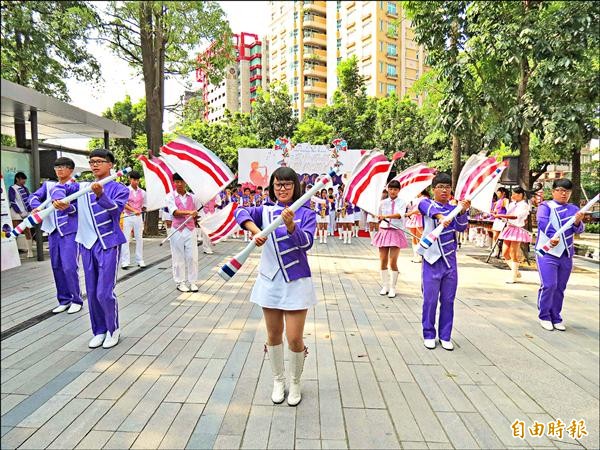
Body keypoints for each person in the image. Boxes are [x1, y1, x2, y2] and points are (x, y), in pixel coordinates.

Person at [234, 166, 317, 407]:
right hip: (270, 280)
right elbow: (240, 212)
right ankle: (278, 380)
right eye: (278, 184)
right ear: (272, 186)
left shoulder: (306, 213)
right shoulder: (265, 211)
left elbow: (307, 243)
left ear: (295, 187)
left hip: (297, 281)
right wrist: (256, 231)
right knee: (272, 335)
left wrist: (292, 227)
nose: (282, 188)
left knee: (294, 338)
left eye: (287, 184)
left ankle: (296, 382)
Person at [75, 149, 129, 349]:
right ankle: (99, 330)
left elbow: (115, 211)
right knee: (91, 290)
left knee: (104, 292)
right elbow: (70, 203)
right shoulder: (82, 188)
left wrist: (101, 195)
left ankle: (113, 329)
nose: (95, 165)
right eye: (92, 162)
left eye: (99, 161)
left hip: (108, 244)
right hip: (87, 244)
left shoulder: (119, 188)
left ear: (110, 165)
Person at [419, 173, 470, 351]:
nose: (444, 190)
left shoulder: (453, 208)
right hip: (431, 260)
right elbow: (425, 207)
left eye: (447, 187)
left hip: (450, 262)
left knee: (448, 300)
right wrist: (441, 217)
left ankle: (446, 335)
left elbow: (462, 227)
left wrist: (462, 212)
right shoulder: (427, 204)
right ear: (434, 189)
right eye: (440, 186)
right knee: (430, 300)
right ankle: (429, 333)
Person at [29, 157, 82, 314]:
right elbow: (33, 197)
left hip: (69, 231)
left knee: (69, 266)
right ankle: (64, 300)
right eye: (57, 166)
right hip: (53, 231)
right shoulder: (49, 185)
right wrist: (36, 207)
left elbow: (78, 209)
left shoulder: (76, 187)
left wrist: (67, 207)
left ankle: (76, 299)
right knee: (56, 266)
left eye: (64, 167)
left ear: (71, 170)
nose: (60, 169)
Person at [535, 179, 584, 332]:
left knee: (560, 287)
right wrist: (552, 236)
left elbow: (579, 230)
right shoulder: (545, 206)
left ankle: (556, 316)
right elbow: (542, 222)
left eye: (567, 192)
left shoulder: (574, 208)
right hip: (547, 252)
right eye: (561, 190)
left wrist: (577, 222)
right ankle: (544, 316)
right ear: (554, 191)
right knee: (549, 285)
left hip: (566, 253)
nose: (564, 194)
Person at [372, 180, 408, 298]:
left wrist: (385, 216)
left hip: (396, 232)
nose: (393, 191)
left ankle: (393, 287)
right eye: (391, 189)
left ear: (399, 190)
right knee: (383, 261)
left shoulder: (402, 202)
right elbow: (378, 217)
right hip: (384, 231)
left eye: (395, 189)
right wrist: (377, 218)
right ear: (387, 189)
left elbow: (399, 214)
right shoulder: (382, 203)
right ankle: (385, 285)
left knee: (393, 262)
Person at [166, 173, 202, 292]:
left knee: (192, 256)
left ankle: (193, 282)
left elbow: (197, 213)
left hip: (190, 229)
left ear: (185, 182)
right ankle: (180, 282)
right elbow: (174, 212)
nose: (179, 184)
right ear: (174, 183)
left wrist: (195, 215)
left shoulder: (193, 197)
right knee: (178, 256)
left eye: (181, 181)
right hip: (177, 229)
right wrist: (189, 212)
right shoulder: (170, 196)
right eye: (176, 182)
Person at [496, 187, 532, 283]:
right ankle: (515, 271)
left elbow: (516, 216)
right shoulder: (511, 204)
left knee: (513, 252)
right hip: (509, 228)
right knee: (504, 253)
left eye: (514, 193)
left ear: (520, 195)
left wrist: (501, 216)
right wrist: (500, 216)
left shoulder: (524, 205)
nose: (512, 195)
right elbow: (508, 216)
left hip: (517, 229)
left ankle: (513, 277)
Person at [120, 171, 146, 269]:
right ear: (130, 179)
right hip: (128, 216)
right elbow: (124, 203)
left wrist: (142, 210)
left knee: (139, 238)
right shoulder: (125, 190)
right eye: (134, 179)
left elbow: (144, 205)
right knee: (126, 238)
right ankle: (125, 261)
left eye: (137, 180)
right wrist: (134, 210)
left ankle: (140, 260)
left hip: (138, 217)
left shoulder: (143, 192)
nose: (136, 182)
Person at [9, 171, 34, 257]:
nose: (24, 181)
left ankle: (30, 252)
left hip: (26, 213)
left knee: (27, 231)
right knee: (16, 232)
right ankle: (12, 253)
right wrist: (19, 212)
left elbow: (29, 200)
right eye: (22, 179)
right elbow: (12, 201)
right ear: (17, 179)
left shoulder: (25, 188)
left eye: (24, 179)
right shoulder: (12, 188)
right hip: (16, 214)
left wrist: (30, 211)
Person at [405, 190, 429, 263]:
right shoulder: (415, 199)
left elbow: (420, 210)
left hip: (420, 218)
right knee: (414, 238)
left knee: (419, 238)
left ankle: (420, 256)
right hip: (414, 218)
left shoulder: (425, 199)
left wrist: (410, 213)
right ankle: (415, 255)